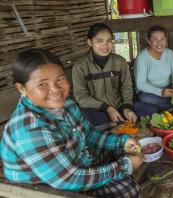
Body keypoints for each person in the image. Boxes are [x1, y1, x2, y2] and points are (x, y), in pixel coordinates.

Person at [0, 49, 143, 197]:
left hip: (75, 162)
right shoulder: (30, 128)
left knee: (124, 149)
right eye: (43, 84)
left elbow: (87, 133)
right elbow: (68, 179)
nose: (55, 90)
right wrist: (124, 167)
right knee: (128, 190)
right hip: (48, 189)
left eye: (60, 79)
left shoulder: (65, 102)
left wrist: (122, 142)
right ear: (21, 88)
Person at [72, 23, 158, 127]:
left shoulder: (120, 61)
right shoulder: (80, 65)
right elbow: (81, 97)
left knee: (152, 110)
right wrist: (108, 108)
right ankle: (119, 121)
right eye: (99, 41)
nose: (105, 45)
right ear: (90, 42)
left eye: (109, 41)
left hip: (119, 105)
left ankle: (117, 121)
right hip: (97, 108)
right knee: (95, 119)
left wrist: (127, 107)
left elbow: (126, 87)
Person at [135, 25, 173, 110]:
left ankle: (169, 104)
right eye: (155, 39)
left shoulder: (169, 53)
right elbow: (141, 84)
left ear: (165, 41)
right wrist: (160, 92)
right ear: (149, 41)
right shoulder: (142, 57)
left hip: (167, 88)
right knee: (145, 98)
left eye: (162, 39)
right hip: (149, 92)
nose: (159, 43)